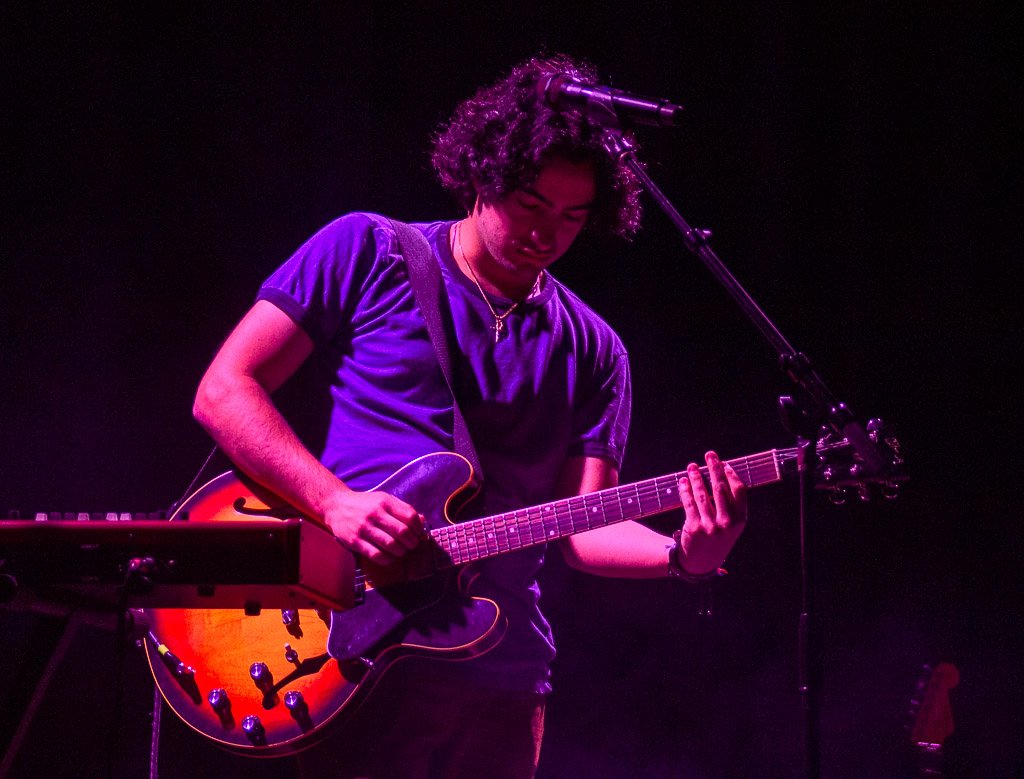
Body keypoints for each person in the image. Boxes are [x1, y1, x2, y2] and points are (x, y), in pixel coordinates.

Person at [192, 53, 748, 778]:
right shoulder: (368, 248)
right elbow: (224, 389)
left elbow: (584, 524)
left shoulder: (597, 349)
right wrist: (336, 503)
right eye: (530, 203)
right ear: (483, 173)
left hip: (503, 677)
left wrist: (683, 555)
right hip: (343, 647)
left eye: (571, 217)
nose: (546, 233)